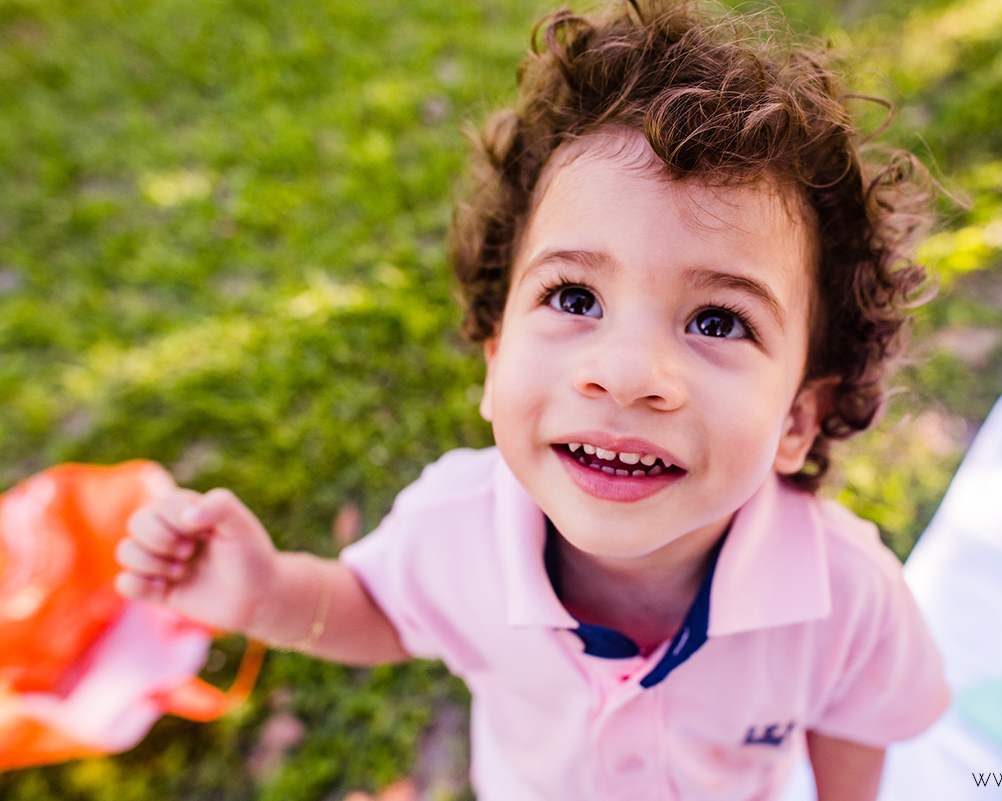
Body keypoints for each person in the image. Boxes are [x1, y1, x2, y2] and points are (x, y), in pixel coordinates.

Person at [114, 2, 950, 798]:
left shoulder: (849, 596)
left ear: (797, 418)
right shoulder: (453, 527)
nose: (626, 373)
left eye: (718, 320)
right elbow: (380, 611)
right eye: (576, 298)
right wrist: (266, 595)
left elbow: (857, 724)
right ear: (494, 356)